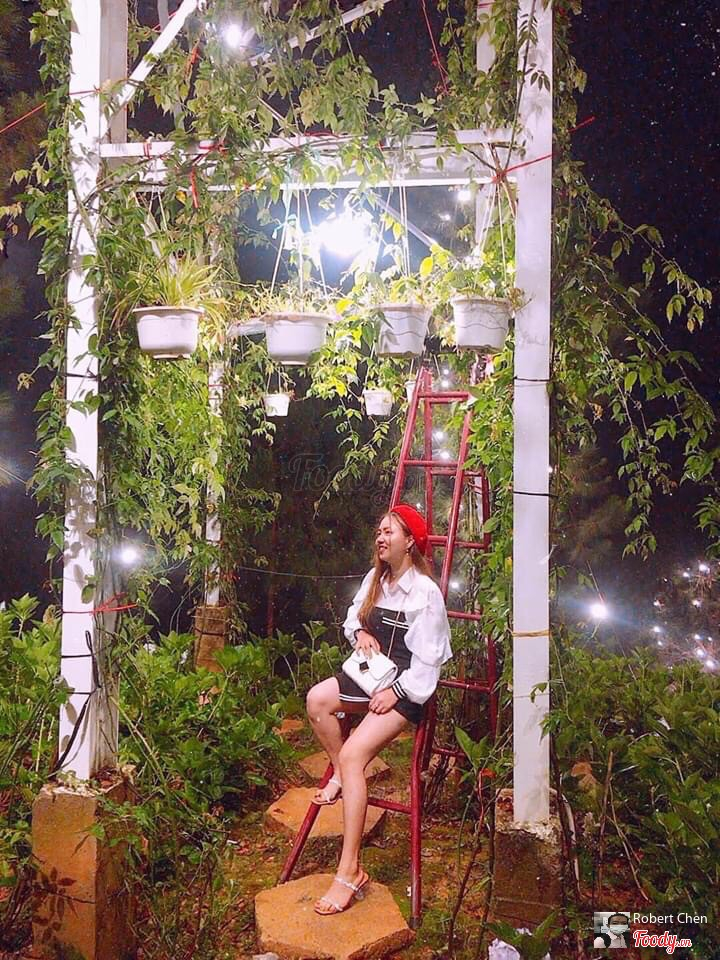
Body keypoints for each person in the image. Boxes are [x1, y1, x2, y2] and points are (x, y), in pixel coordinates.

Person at [305, 504, 452, 916]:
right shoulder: (376, 579)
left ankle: (349, 870)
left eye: (389, 532)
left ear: (410, 542)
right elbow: (352, 617)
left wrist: (397, 692)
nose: (381, 538)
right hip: (372, 672)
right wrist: (361, 633)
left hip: (405, 688)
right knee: (317, 701)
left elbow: (428, 666)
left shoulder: (425, 593)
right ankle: (342, 774)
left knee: (356, 755)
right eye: (379, 531)